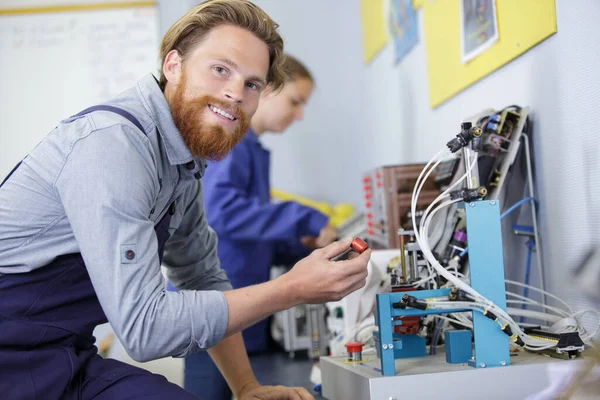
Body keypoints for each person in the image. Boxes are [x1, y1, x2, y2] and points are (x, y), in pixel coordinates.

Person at [0, 1, 371, 399]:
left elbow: (202, 278)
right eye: (220, 69)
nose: (234, 93)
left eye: (252, 84)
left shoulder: (183, 161)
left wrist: (245, 387)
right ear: (173, 65)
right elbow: (145, 330)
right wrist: (291, 288)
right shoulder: (113, 146)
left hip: (61, 356)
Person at [183, 54, 336, 399]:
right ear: (266, 91)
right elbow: (221, 213)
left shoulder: (250, 149)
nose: (299, 115)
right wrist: (306, 218)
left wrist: (306, 244)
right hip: (213, 314)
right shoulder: (230, 141)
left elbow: (251, 233)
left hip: (240, 313)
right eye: (295, 102)